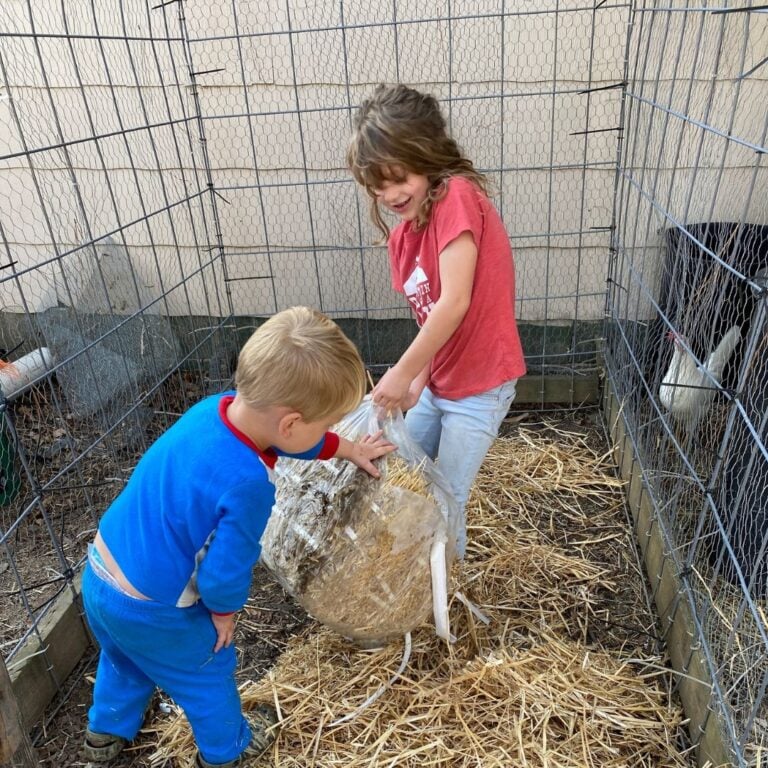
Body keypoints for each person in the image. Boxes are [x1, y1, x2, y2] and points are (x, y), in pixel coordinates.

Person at [80, 306, 395, 768]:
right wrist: (224, 614)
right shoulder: (248, 483)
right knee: (208, 674)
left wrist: (345, 448)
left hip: (102, 576)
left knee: (124, 657)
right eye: (325, 424)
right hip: (155, 606)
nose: (326, 432)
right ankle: (228, 750)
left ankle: (104, 734)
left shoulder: (216, 410)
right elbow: (225, 568)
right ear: (290, 423)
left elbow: (292, 439)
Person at [347, 83, 526, 558]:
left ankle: (449, 599)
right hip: (440, 384)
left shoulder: (456, 198)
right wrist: (417, 383)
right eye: (377, 185)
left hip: (480, 387)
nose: (389, 194)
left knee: (447, 497)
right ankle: (405, 568)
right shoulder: (403, 238)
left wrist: (400, 372)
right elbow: (431, 317)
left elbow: (455, 303)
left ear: (426, 156)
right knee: (393, 461)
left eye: (398, 177)